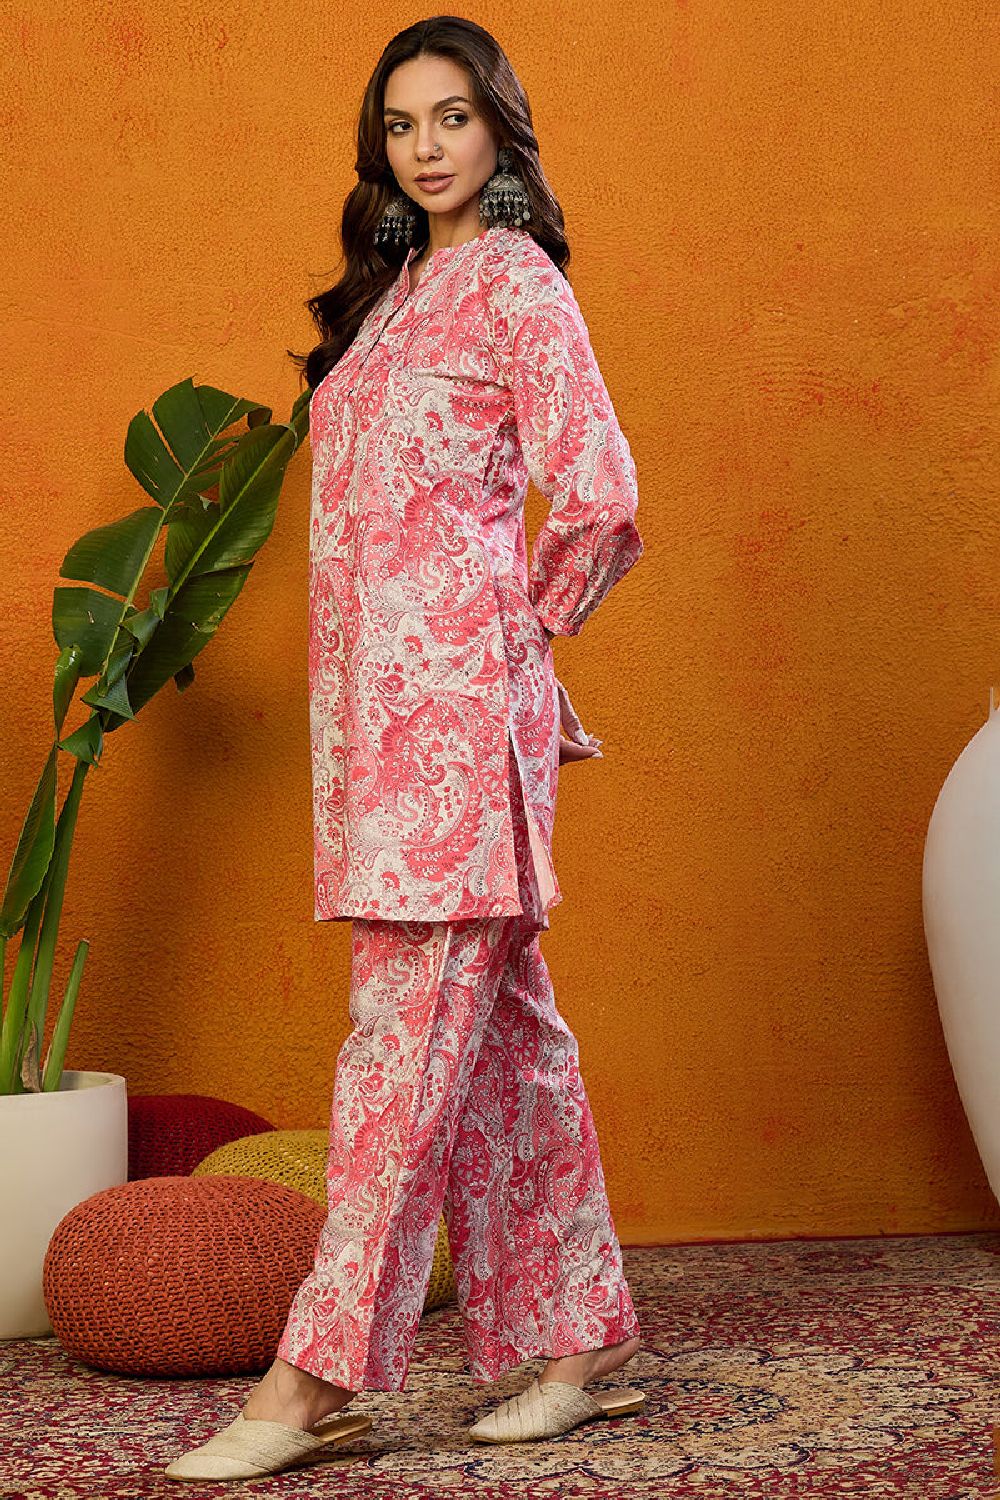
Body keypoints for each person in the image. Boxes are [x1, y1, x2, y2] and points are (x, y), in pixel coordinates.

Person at [165, 15, 645, 1483]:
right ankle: (584, 1339)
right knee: (504, 1045)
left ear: (500, 128)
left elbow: (600, 494)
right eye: (399, 123)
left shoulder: (515, 284)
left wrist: (517, 651)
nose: (426, 147)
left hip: (454, 737)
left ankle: (311, 1379)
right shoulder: (391, 302)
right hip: (375, 741)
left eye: (452, 116)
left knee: (399, 1048)